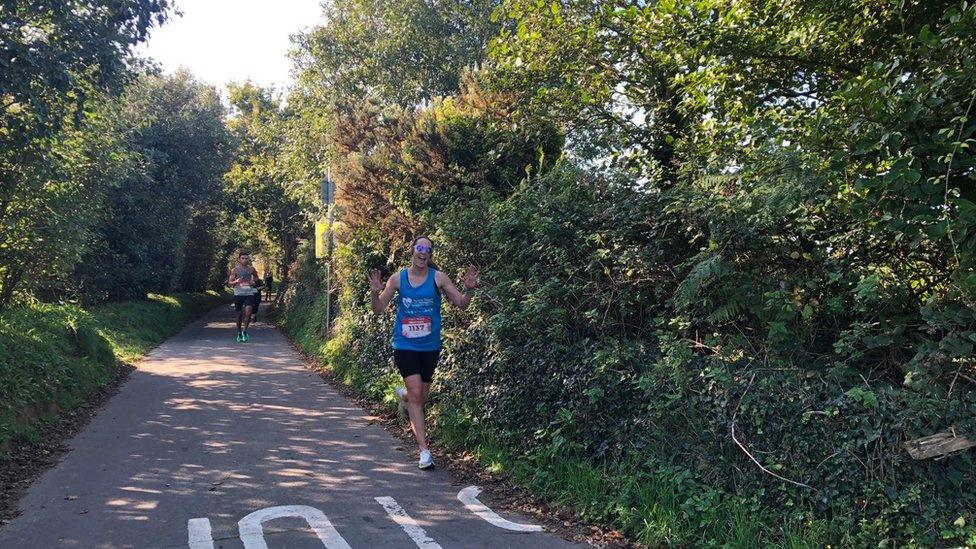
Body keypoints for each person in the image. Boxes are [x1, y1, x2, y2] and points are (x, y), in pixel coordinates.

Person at [368, 236, 479, 469]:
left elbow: (461, 303)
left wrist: (468, 290)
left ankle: (405, 397)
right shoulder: (398, 279)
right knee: (418, 394)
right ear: (412, 251)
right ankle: (424, 451)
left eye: (427, 250)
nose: (422, 252)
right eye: (419, 248)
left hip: (430, 347)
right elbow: (378, 309)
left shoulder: (438, 278)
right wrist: (374, 293)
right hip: (405, 346)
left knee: (419, 398)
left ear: (430, 255)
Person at [228, 252, 258, 342]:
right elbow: (230, 283)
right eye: (243, 258)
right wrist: (236, 281)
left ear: (249, 260)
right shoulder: (235, 270)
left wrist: (253, 282)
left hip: (249, 293)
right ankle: (239, 332)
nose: (245, 260)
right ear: (239, 259)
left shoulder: (252, 269)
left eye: (246, 258)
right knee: (239, 315)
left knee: (248, 312)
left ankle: (245, 331)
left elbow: (256, 278)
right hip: (238, 294)